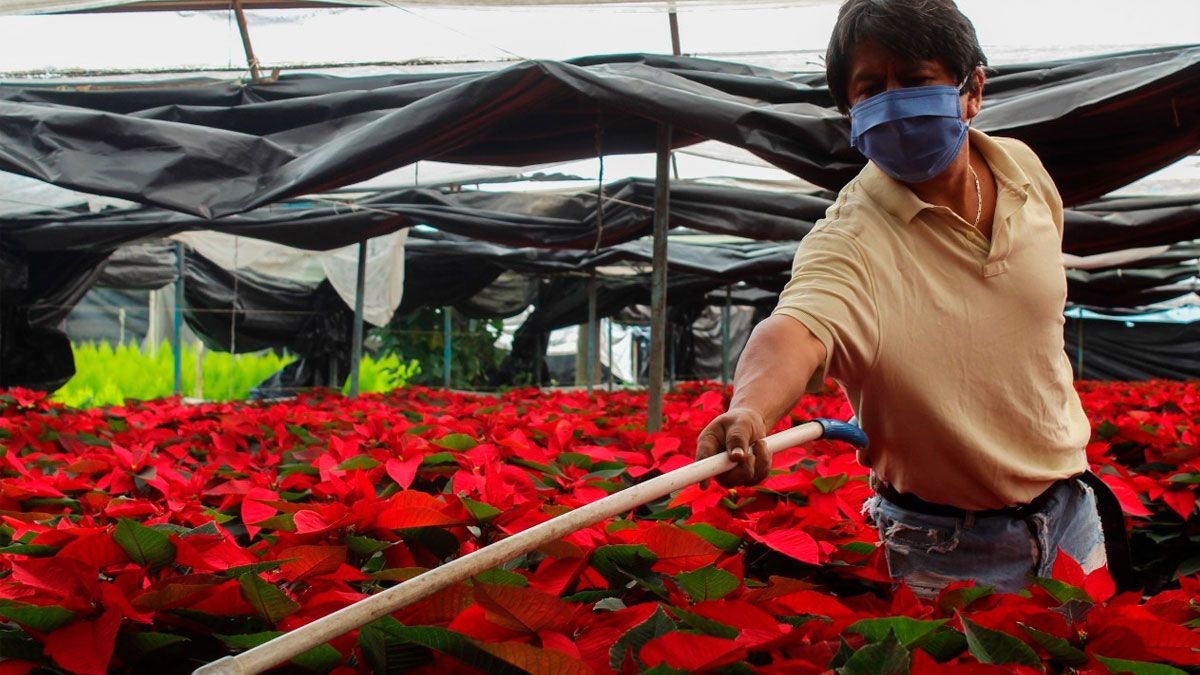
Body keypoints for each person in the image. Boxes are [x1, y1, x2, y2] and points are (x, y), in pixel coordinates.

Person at [695, 0, 1116, 598]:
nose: (892, 101)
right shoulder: (849, 239)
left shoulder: (1024, 170)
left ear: (972, 90)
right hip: (945, 547)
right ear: (849, 111)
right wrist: (752, 410)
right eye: (870, 88)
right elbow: (795, 328)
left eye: (916, 81)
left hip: (1072, 512)